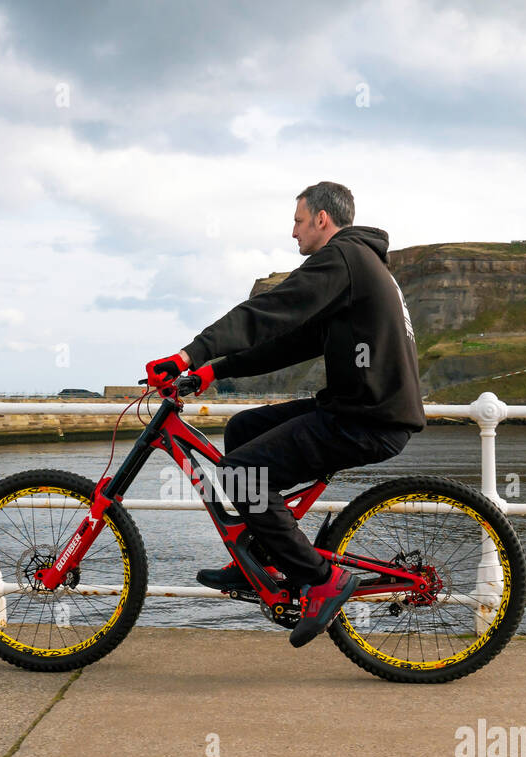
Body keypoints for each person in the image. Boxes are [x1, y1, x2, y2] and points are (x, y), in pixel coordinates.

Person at [144, 181, 425, 647]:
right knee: (243, 427)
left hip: (368, 419)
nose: (292, 232)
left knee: (239, 474)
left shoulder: (342, 258)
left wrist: (189, 353)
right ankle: (262, 554)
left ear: (321, 219)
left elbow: (267, 311)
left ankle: (321, 580)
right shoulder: (357, 264)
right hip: (358, 407)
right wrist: (216, 369)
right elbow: (291, 342)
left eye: (297, 220)